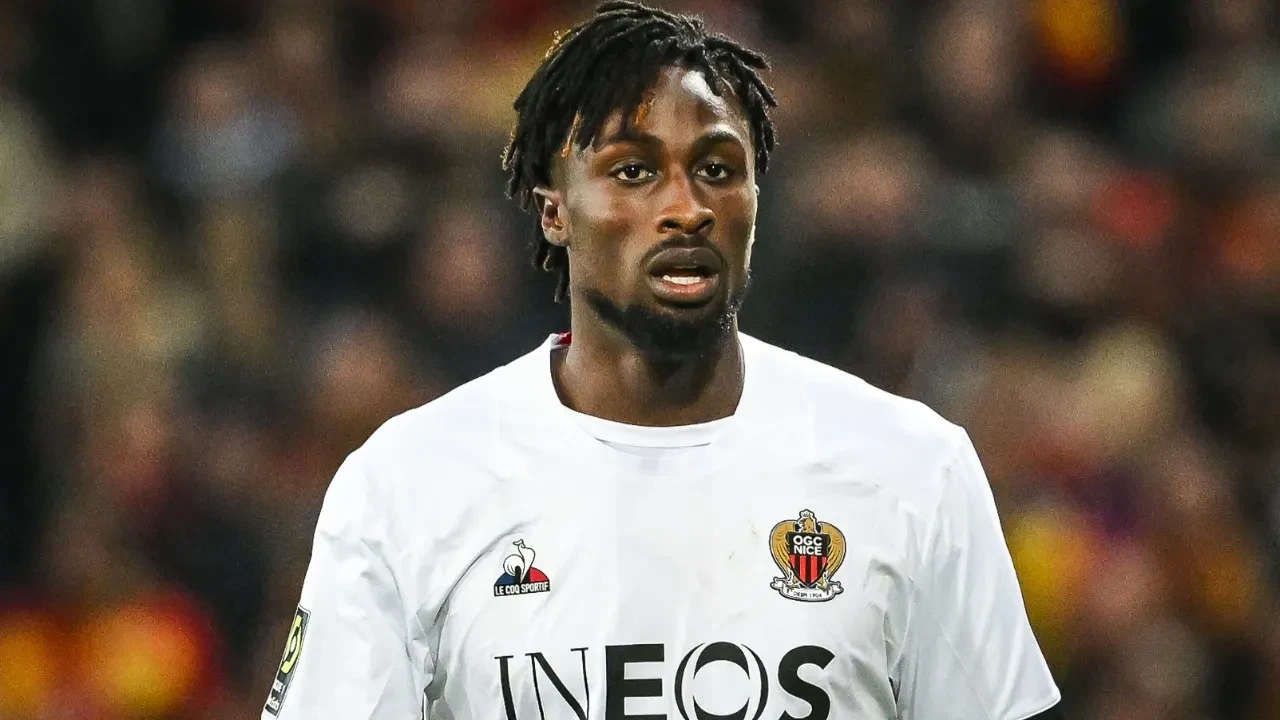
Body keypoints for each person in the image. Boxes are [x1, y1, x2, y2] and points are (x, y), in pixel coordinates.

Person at [262, 2, 1065, 718]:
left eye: (717, 169)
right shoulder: (408, 485)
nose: (686, 208)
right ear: (553, 210)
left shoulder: (913, 471)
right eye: (633, 171)